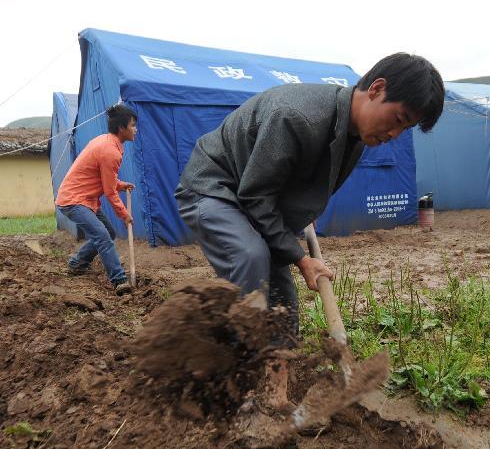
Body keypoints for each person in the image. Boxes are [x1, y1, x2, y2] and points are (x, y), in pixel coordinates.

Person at [175, 52, 444, 337]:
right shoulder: (297, 117)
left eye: (405, 128)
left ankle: (281, 356)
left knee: (281, 300)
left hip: (252, 197)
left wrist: (300, 219)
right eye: (398, 119)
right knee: (251, 256)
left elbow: (297, 185)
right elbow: (255, 196)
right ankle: (235, 352)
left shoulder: (355, 136)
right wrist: (302, 259)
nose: (395, 134)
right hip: (214, 189)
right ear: (377, 89)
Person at [56, 104, 137, 295]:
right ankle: (119, 280)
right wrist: (124, 215)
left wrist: (120, 184)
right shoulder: (110, 151)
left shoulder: (106, 142)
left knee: (108, 232)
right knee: (102, 235)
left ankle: (77, 263)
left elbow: (105, 179)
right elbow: (109, 191)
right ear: (122, 128)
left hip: (85, 199)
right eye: (133, 125)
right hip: (73, 200)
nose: (135, 129)